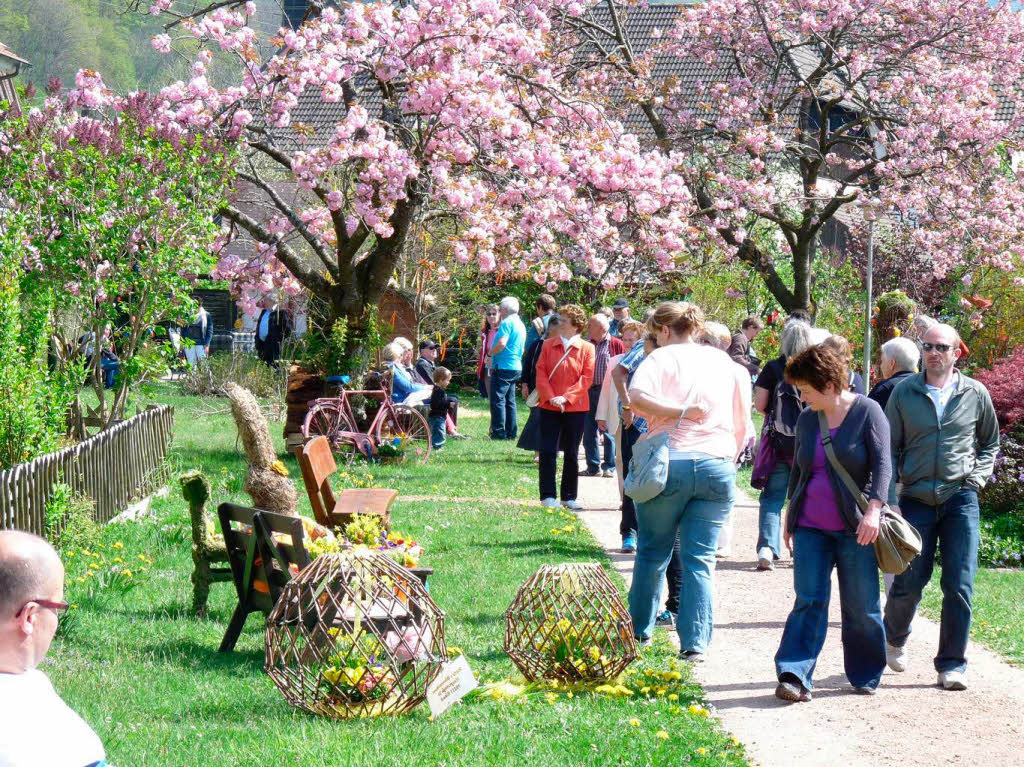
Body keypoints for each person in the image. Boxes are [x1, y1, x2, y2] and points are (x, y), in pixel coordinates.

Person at [627, 302, 752, 659]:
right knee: (700, 559)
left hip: (670, 462)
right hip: (717, 464)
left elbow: (636, 399)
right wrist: (726, 455)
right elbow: (742, 421)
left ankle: (639, 633)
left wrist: (678, 412)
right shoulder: (723, 362)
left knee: (652, 551)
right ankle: (695, 643)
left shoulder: (660, 359)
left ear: (665, 331)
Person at [883, 323, 1000, 691]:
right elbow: (888, 449)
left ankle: (952, 664)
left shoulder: (975, 393)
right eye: (928, 346)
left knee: (959, 585)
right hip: (915, 499)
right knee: (908, 582)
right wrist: (889, 499)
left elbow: (989, 444)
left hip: (960, 499)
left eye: (941, 347)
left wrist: (976, 480)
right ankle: (895, 637)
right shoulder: (904, 392)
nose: (934, 352)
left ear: (956, 353)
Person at [772, 344, 891, 702]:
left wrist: (874, 511)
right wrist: (790, 516)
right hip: (811, 526)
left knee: (862, 606)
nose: (801, 395)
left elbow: (884, 465)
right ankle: (794, 673)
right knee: (808, 599)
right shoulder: (809, 418)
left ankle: (866, 671)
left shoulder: (868, 412)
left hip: (856, 529)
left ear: (827, 384)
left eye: (806, 389)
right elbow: (800, 469)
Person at [0, 530, 106, 767]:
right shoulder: (63, 747)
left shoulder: (30, 684)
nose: (56, 618)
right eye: (56, 606)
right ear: (29, 617)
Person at [752, 320, 815, 570]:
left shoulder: (772, 368)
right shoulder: (815, 367)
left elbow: (759, 405)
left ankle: (767, 547)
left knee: (772, 497)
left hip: (779, 443)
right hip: (809, 442)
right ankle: (800, 547)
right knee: (804, 496)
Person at [534, 305, 595, 510]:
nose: (559, 322)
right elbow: (541, 372)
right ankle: (547, 496)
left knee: (571, 452)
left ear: (576, 325)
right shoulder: (548, 345)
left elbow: (586, 378)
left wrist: (566, 398)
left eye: (564, 320)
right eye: (559, 319)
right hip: (549, 406)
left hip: (575, 408)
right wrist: (551, 397)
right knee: (548, 450)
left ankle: (569, 496)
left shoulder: (587, 348)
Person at [611, 321, 652, 553]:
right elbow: (619, 372)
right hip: (636, 423)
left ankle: (649, 533)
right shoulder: (643, 349)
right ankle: (630, 532)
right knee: (633, 477)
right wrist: (627, 407)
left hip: (663, 424)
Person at [583, 314, 625, 478]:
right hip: (589, 390)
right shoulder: (587, 344)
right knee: (589, 429)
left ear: (601, 328)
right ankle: (593, 466)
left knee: (608, 428)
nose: (588, 329)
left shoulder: (615, 344)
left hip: (607, 391)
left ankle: (609, 466)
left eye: (591, 326)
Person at [518, 313, 560, 456]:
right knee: (537, 420)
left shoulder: (563, 347)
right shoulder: (537, 345)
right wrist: (524, 384)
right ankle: (538, 452)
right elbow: (528, 364)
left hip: (556, 390)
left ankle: (553, 449)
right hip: (536, 389)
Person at [488, 296, 527, 440]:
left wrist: (490, 353)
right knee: (510, 401)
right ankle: (512, 432)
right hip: (516, 365)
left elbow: (501, 343)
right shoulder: (521, 324)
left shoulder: (507, 323)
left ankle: (498, 433)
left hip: (503, 366)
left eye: (500, 308)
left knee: (498, 400)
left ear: (504, 310)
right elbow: (522, 349)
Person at [868, 337, 919, 411]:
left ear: (892, 363)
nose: (881, 365)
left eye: (882, 361)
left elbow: (866, 418)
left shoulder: (884, 389)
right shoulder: (926, 386)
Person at [384, 341, 430, 406]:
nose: (402, 357)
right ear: (397, 355)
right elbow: (408, 387)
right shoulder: (392, 369)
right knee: (430, 391)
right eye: (401, 354)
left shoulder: (387, 366)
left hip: (398, 398)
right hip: (400, 400)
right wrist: (425, 387)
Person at [476, 305, 500, 399]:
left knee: (499, 397)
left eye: (494, 314)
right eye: (489, 314)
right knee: (490, 396)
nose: (491, 316)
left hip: (499, 365)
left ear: (500, 314)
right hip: (487, 365)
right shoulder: (484, 331)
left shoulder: (503, 329)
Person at [428, 367, 454, 450]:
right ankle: (437, 446)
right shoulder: (439, 391)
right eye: (447, 380)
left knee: (437, 431)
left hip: (438, 416)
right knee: (440, 432)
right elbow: (438, 404)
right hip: (437, 416)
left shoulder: (437, 390)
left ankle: (435, 446)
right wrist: (448, 404)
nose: (448, 382)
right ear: (440, 380)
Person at [184, 297, 214, 363]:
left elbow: (209, 331)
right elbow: (184, 329)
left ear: (201, 303)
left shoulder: (206, 315)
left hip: (201, 343)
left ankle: (206, 374)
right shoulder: (187, 315)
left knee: (204, 364)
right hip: (188, 343)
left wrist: (207, 344)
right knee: (191, 364)